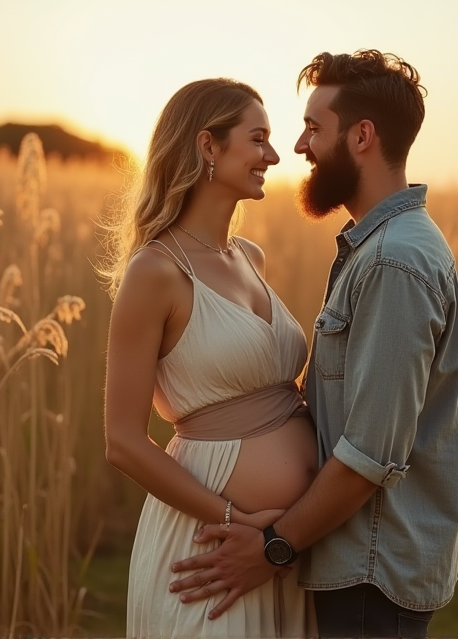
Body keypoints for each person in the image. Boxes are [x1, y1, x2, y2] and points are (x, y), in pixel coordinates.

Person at [169, 49, 458, 639]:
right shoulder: (378, 247)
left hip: (370, 574)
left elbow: (368, 455)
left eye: (312, 128)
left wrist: (273, 546)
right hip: (353, 566)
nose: (298, 148)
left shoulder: (392, 261)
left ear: (362, 136)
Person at [102, 78, 319, 638]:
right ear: (208, 147)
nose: (274, 156)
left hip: (277, 550)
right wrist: (237, 522)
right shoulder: (155, 272)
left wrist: (281, 533)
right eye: (259, 139)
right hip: (214, 548)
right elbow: (123, 441)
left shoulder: (251, 257)